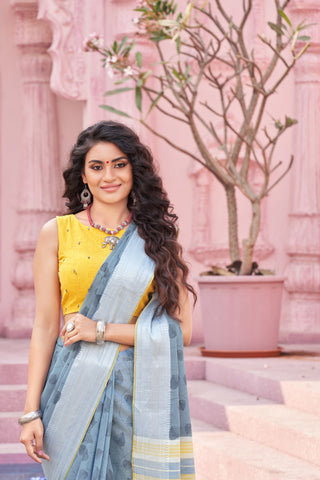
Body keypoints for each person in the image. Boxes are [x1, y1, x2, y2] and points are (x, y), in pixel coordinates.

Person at [19, 120, 197, 480]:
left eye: (119, 164)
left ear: (134, 170)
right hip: (70, 386)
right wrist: (30, 411)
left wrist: (98, 329)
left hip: (136, 393)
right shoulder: (57, 233)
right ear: (83, 177)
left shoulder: (158, 238)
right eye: (96, 167)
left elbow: (181, 330)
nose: (108, 176)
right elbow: (45, 326)